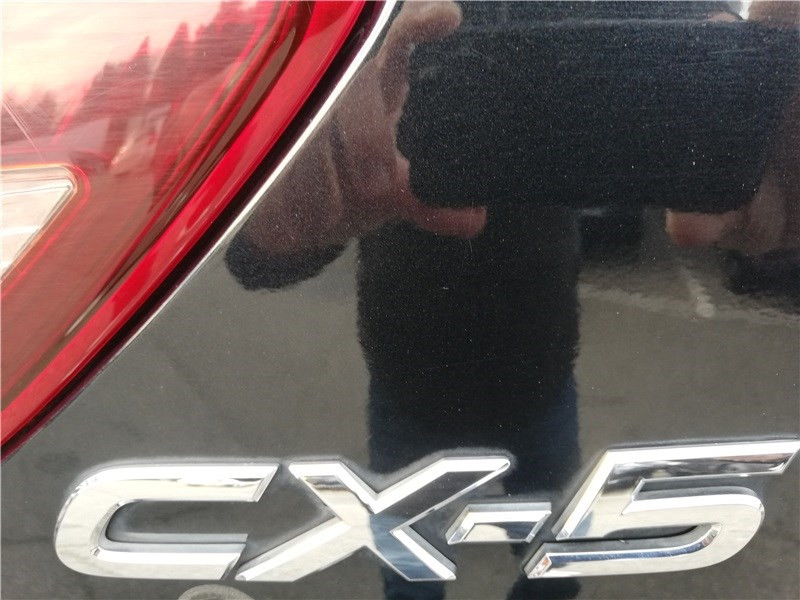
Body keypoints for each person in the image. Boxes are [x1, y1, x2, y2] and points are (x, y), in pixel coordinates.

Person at [226, 3, 797, 598]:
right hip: (416, 378)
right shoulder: (369, 24)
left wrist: (774, 220)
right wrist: (280, 221)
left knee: (544, 575)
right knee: (424, 580)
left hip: (531, 376)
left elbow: (701, 46)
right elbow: (252, 258)